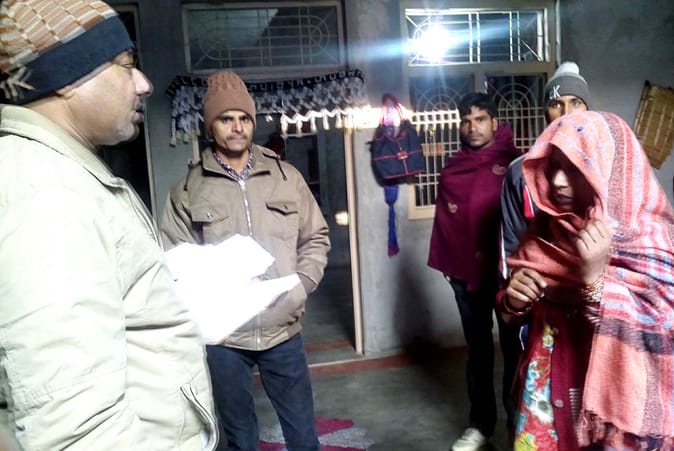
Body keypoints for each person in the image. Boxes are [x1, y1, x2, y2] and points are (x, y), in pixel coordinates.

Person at [0, 1, 217, 450]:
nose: (144, 83)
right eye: (125, 65)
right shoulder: (49, 196)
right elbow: (80, 429)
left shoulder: (57, 173)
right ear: (66, 78)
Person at [161, 70, 331, 451]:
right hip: (225, 340)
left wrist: (300, 287)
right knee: (240, 439)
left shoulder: (286, 178)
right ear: (210, 126)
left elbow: (316, 238)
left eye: (244, 118)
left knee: (304, 438)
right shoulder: (188, 189)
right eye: (226, 119)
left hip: (282, 330)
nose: (237, 127)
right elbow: (176, 262)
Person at [500, 111, 674, 450]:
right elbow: (513, 312)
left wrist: (595, 280)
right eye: (553, 167)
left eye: (575, 169)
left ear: (611, 170)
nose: (558, 181)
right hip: (545, 397)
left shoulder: (656, 242)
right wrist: (513, 301)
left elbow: (663, 332)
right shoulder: (547, 229)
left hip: (612, 409)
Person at [428, 93, 523, 450]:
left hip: (510, 276)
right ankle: (481, 426)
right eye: (466, 121)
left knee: (516, 351)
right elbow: (448, 220)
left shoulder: (515, 164)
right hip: (467, 275)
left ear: (495, 122)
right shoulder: (453, 168)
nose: (472, 127)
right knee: (479, 351)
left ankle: (519, 427)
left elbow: (527, 221)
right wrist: (450, 265)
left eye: (480, 119)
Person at [500, 62, 590, 260]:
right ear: (546, 113)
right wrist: (515, 274)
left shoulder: (602, 167)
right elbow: (510, 243)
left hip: (591, 276)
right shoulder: (520, 171)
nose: (566, 113)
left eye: (575, 102)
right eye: (556, 104)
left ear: (588, 110)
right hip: (536, 275)